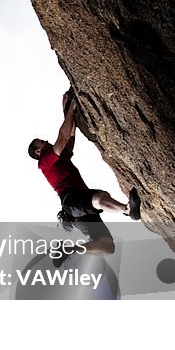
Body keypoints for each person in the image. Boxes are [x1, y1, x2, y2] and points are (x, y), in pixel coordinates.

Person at [28, 89, 141, 256]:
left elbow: (70, 135)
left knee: (107, 246)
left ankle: (69, 250)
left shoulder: (60, 159)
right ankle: (126, 209)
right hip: (71, 200)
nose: (45, 141)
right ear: (38, 152)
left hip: (74, 211)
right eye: (41, 142)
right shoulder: (45, 160)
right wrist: (72, 107)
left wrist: (67, 112)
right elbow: (63, 136)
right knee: (98, 197)